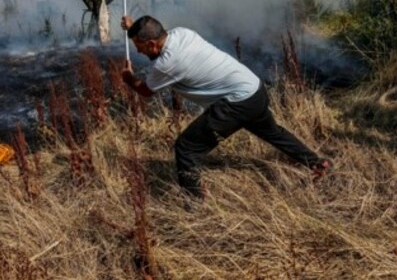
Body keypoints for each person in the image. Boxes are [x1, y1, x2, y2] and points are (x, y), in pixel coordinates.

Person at [120, 15, 331, 199]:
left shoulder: (166, 63)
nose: (138, 52)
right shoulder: (182, 33)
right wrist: (132, 28)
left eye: (140, 47)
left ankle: (193, 205)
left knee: (186, 148)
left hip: (236, 102)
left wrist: (128, 78)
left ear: (153, 44)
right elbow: (151, 29)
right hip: (253, 89)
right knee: (273, 132)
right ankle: (317, 163)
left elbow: (146, 91)